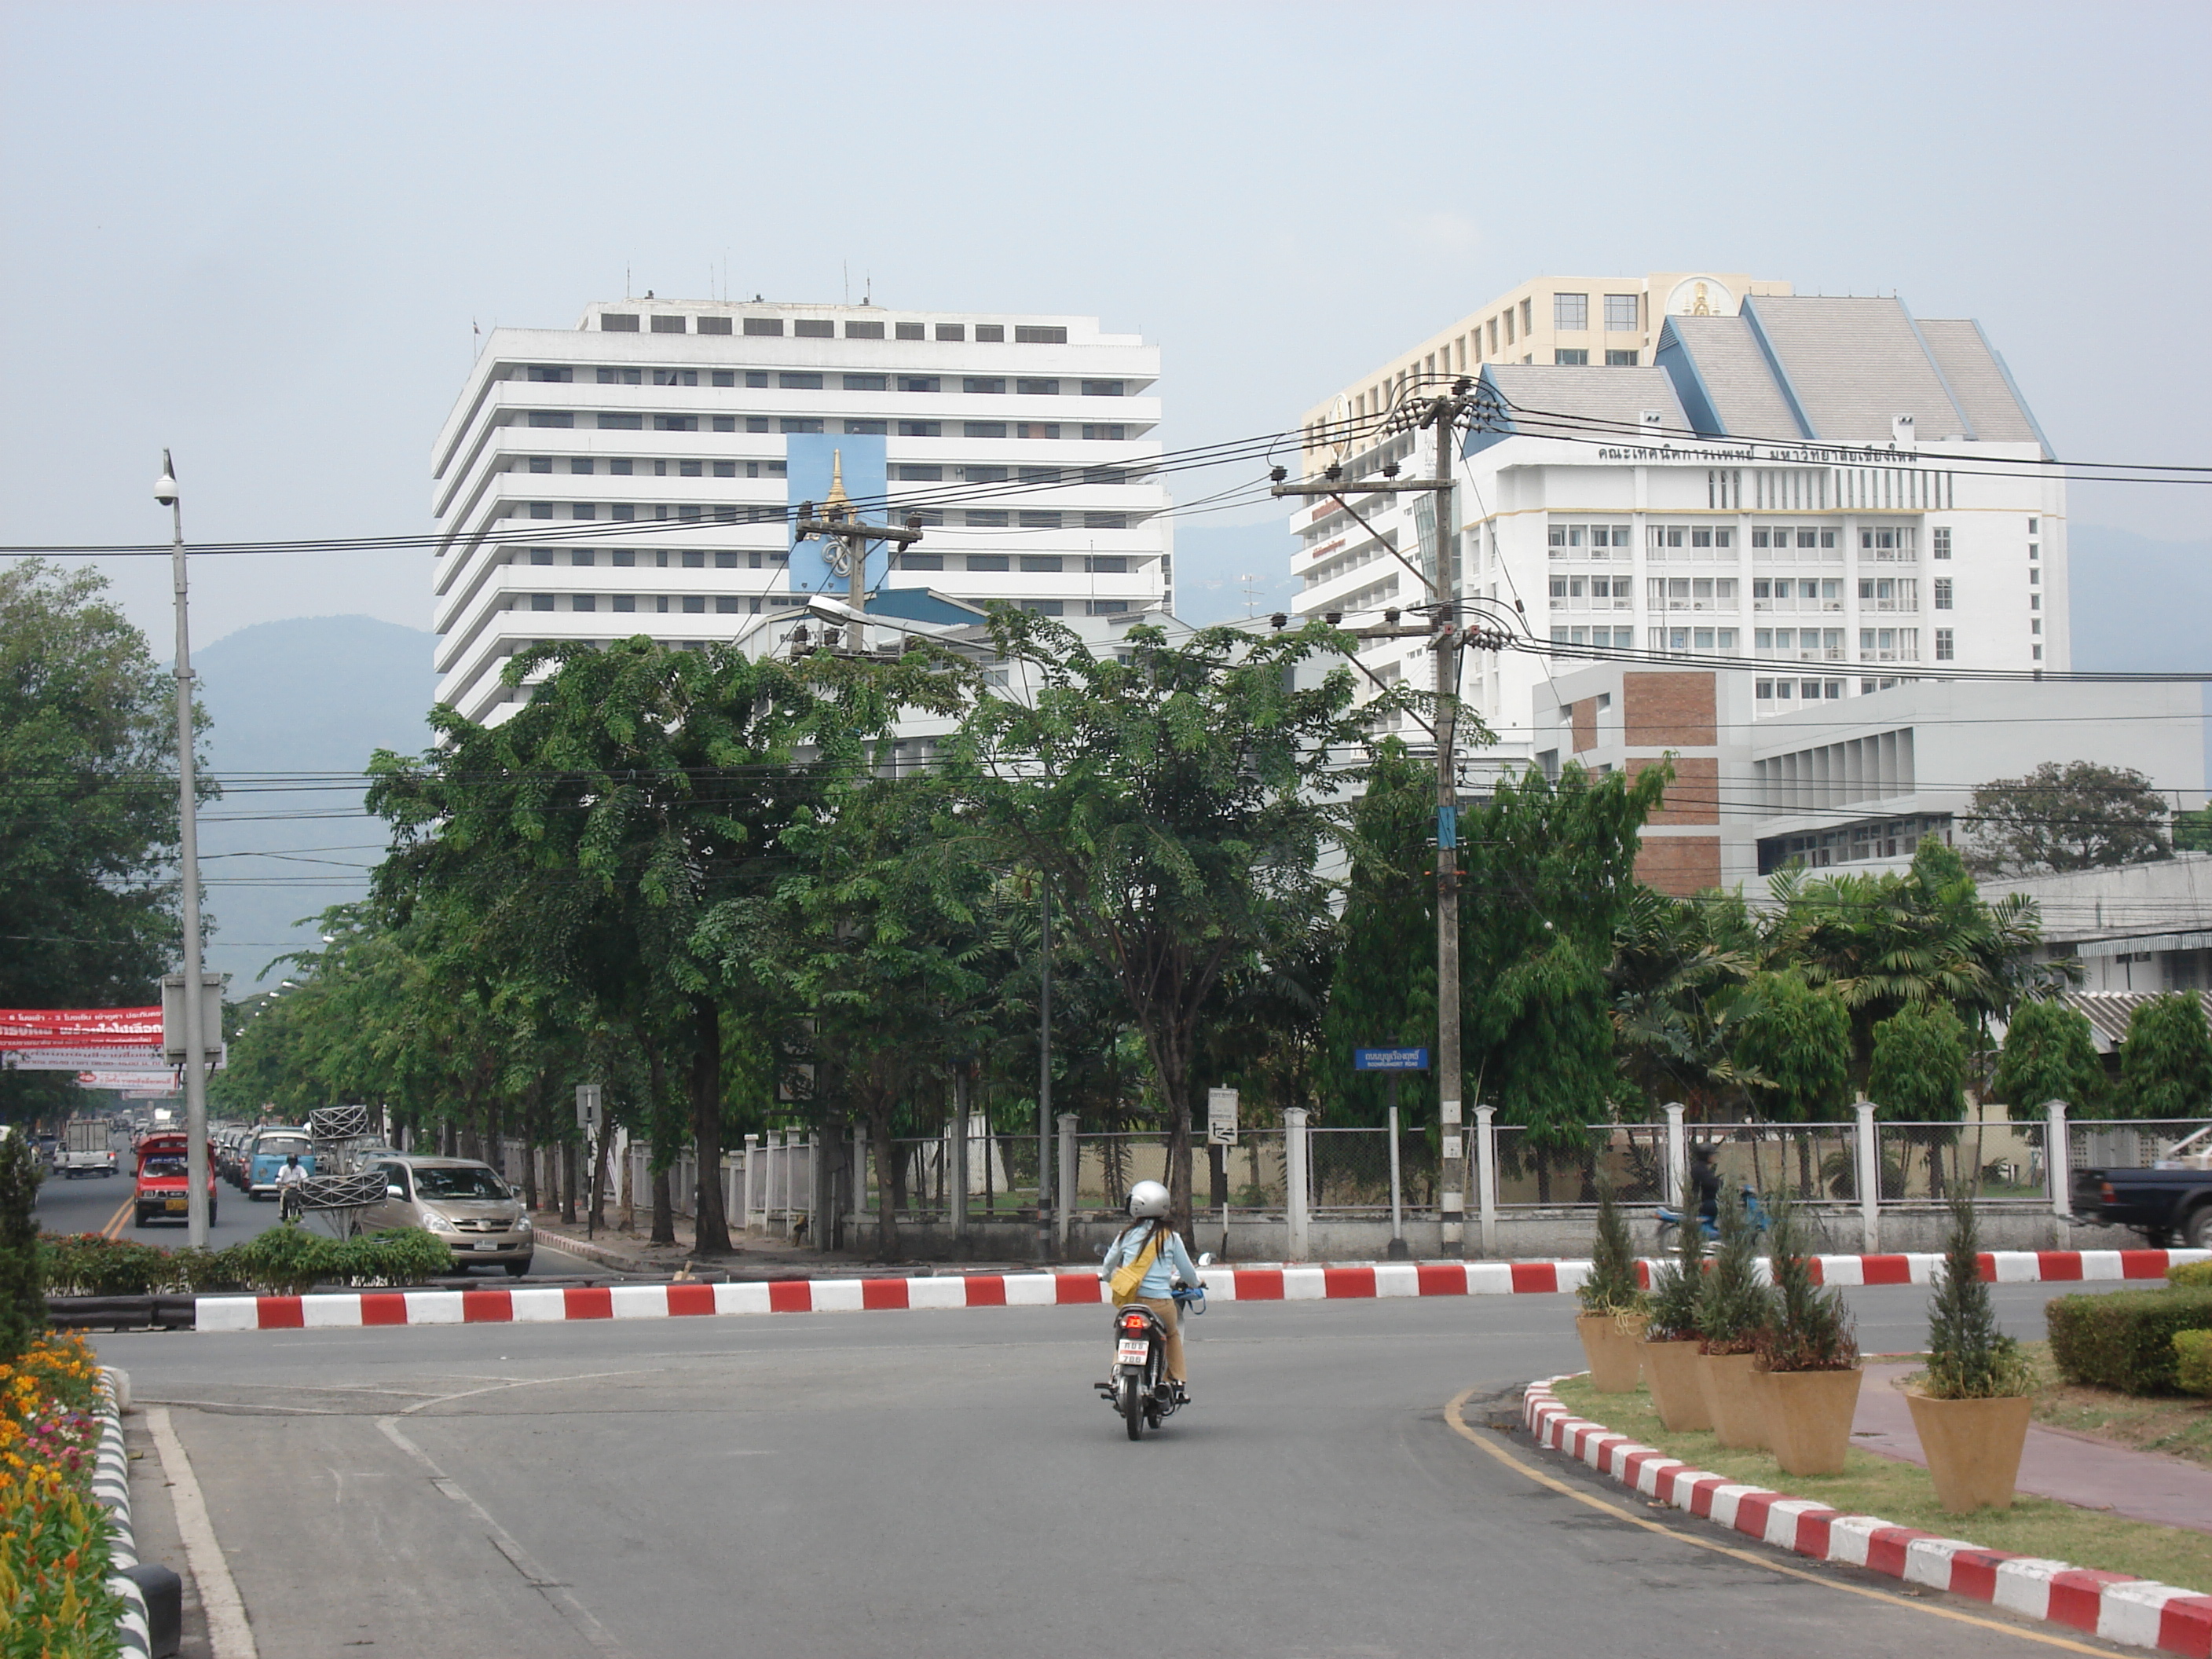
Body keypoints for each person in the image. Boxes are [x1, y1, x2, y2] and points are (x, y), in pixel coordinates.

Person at [1097, 1180, 1204, 1402]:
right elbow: (1187, 1272)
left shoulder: (1125, 1236)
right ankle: (1177, 1381)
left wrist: (1110, 1278)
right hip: (1160, 1305)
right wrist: (1196, 1283)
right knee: (1172, 1335)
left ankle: (1116, 1374)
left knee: (1123, 1335)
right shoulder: (1171, 1238)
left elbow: (1107, 1268)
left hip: (1132, 1304)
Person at [1689, 1144, 1720, 1229]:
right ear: (1706, 1156)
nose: (1714, 1157)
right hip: (1703, 1202)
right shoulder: (1701, 1169)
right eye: (1712, 1155)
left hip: (1704, 1200)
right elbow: (1711, 1183)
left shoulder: (1701, 1167)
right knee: (1725, 1208)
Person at [276, 1152, 309, 1219]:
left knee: (302, 1195)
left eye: (294, 1161)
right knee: (283, 1195)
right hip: (286, 1187)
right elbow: (279, 1177)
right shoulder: (283, 1168)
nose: (292, 1163)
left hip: (297, 1187)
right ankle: (282, 1211)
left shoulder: (300, 1168)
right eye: (291, 1161)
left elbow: (305, 1177)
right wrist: (279, 1182)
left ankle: (300, 1210)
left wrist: (302, 1183)